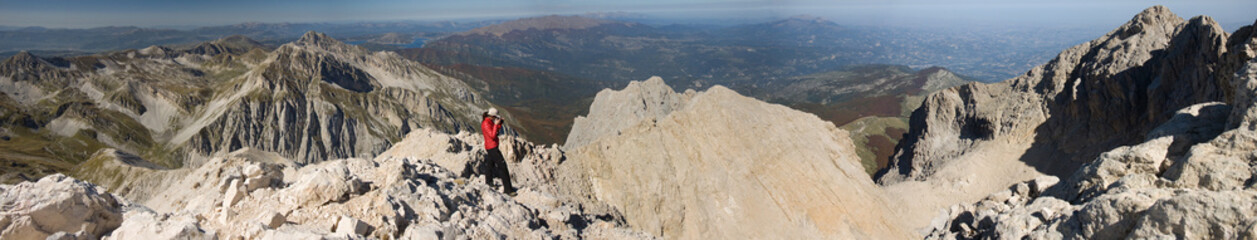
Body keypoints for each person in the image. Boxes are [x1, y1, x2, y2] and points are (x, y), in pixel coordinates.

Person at [481, 108, 515, 194]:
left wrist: (500, 124)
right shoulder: (486, 123)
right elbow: (492, 135)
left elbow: (495, 132)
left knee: (490, 164)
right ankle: (508, 190)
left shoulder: (489, 122)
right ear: (492, 116)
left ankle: (488, 182)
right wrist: (496, 124)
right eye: (495, 117)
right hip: (492, 147)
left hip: (491, 147)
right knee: (502, 166)